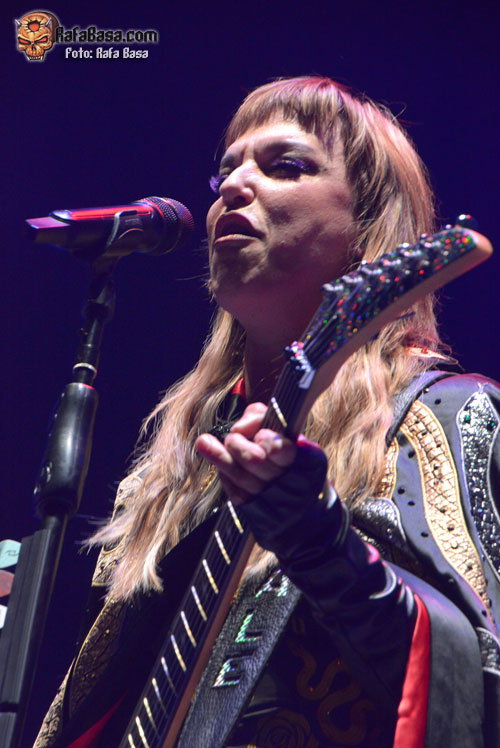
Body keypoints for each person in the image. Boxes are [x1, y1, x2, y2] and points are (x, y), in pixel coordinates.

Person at [34, 76, 500, 748]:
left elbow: (473, 684)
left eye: (285, 166)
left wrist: (324, 547)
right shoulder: (172, 468)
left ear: (368, 230)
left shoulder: (441, 416)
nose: (233, 185)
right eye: (223, 172)